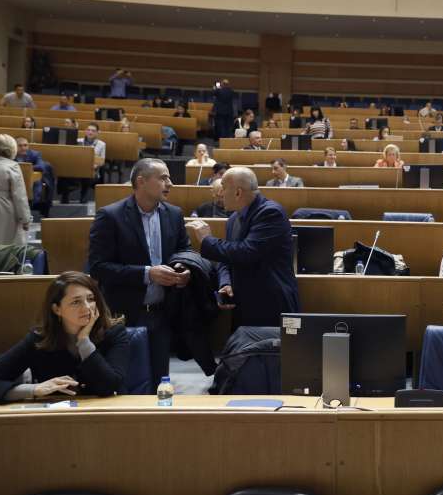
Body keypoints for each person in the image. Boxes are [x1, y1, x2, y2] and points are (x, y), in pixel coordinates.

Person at [87, 159, 191, 385]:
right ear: (141, 181)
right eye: (163, 178)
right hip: (123, 314)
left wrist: (184, 270)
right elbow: (97, 268)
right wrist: (146, 273)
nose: (170, 183)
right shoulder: (110, 216)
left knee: (159, 381)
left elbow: (185, 252)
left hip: (162, 312)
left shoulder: (174, 214)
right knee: (124, 381)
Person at [0, 271, 130, 403]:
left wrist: (84, 341)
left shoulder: (114, 333)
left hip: (107, 417)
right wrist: (34, 389)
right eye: (76, 302)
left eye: (90, 299)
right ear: (57, 309)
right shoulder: (40, 340)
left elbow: (109, 386)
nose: (87, 307)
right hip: (56, 420)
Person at [186, 167, 300, 328]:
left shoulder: (270, 213)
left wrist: (207, 240)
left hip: (270, 305)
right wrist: (225, 283)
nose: (220, 193)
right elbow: (226, 259)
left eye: (223, 187)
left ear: (238, 192)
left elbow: (247, 252)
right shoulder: (233, 218)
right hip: (243, 306)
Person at [15, 136, 54, 216]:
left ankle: (33, 203)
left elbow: (41, 167)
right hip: (16, 179)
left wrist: (26, 168)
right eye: (20, 146)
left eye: (25, 145)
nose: (23, 148)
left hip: (31, 180)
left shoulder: (35, 154)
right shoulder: (10, 154)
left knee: (37, 182)